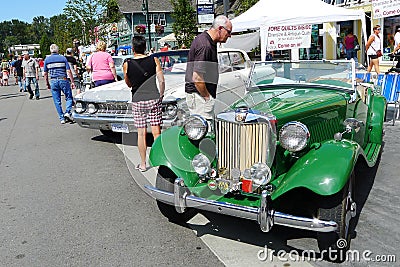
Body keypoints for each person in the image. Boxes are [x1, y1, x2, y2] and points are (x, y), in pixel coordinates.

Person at [123, 36, 165, 172]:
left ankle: (142, 163)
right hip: (153, 98)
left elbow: (128, 82)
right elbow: (161, 80)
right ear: (145, 47)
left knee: (141, 134)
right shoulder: (154, 60)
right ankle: (160, 162)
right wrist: (161, 94)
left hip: (138, 100)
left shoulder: (127, 63)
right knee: (156, 132)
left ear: (133, 48)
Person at [185, 15, 232, 119]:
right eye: (228, 32)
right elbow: (197, 78)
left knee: (209, 128)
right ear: (220, 28)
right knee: (205, 131)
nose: (230, 36)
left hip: (201, 96)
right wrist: (207, 98)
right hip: (199, 97)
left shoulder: (209, 41)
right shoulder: (204, 45)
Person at [44, 44, 76, 124]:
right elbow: (68, 71)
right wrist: (72, 81)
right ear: (57, 50)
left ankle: (62, 118)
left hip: (53, 80)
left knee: (57, 100)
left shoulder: (47, 60)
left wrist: (47, 83)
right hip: (63, 79)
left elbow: (45, 73)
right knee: (68, 97)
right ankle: (68, 112)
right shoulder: (63, 58)